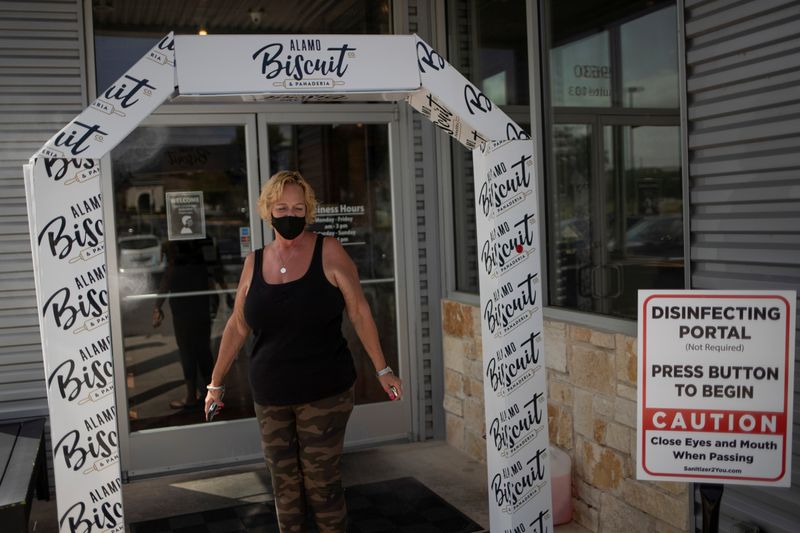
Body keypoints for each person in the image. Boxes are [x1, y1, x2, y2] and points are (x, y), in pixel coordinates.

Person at [204, 170, 402, 533]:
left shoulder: (329, 249)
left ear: (308, 210)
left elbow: (358, 311)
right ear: (268, 211)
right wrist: (216, 383)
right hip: (270, 393)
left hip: (324, 392)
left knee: (322, 483)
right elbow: (237, 324)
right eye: (282, 207)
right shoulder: (254, 261)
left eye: (298, 207)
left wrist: (382, 369)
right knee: (284, 485)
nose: (290, 215)